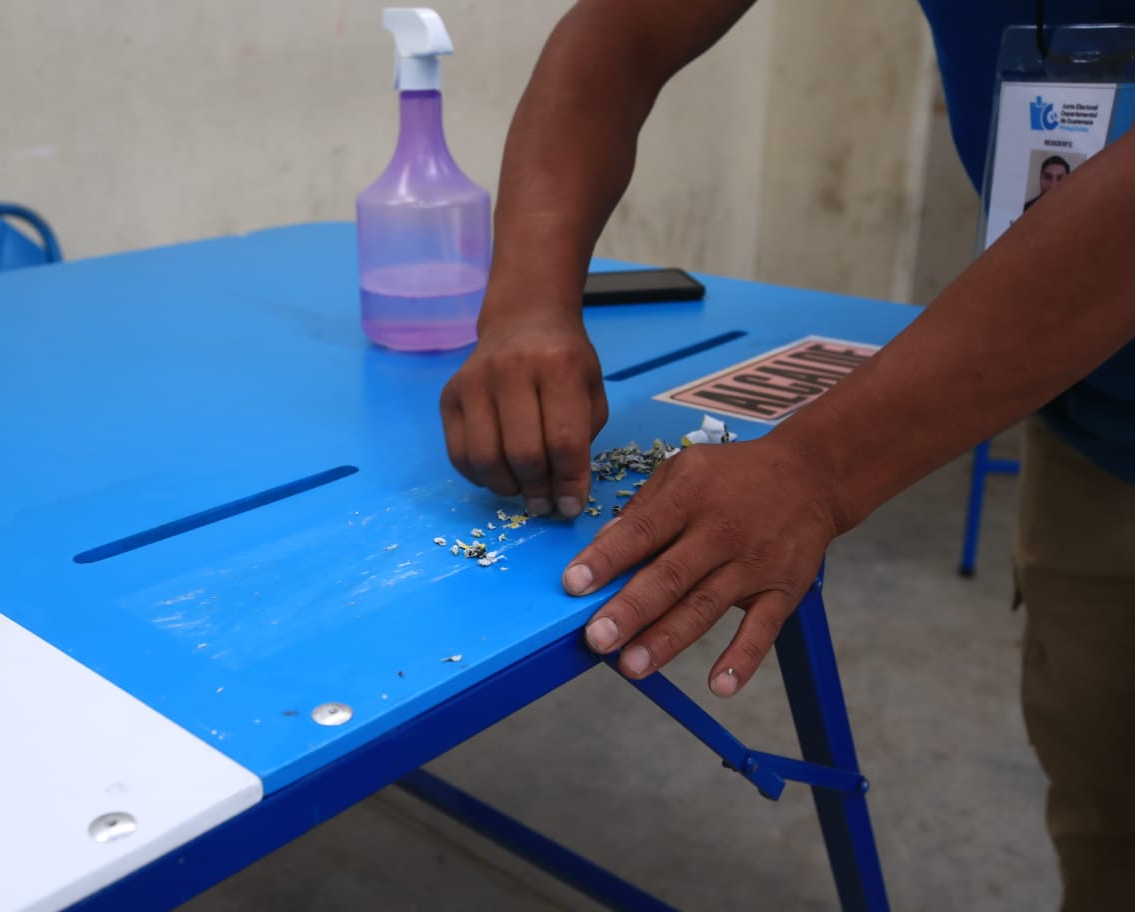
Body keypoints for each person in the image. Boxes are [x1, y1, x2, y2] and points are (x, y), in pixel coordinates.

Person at [437, 2, 1135, 908]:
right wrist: (528, 299)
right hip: (1096, 422)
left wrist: (821, 465)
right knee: (1107, 811)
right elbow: (622, 32)